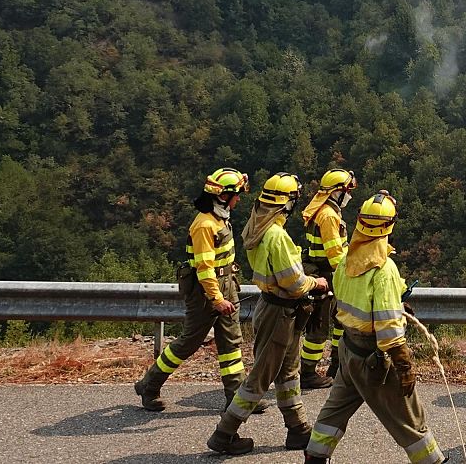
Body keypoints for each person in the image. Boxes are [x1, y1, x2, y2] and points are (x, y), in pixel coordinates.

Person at [305, 191, 445, 464]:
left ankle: (314, 457)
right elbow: (390, 332)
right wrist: (403, 365)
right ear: (390, 226)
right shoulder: (384, 269)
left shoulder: (346, 259)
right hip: (375, 358)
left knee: (334, 411)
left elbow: (350, 301)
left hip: (349, 351)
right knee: (410, 419)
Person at [208, 173, 330, 455]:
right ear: (288, 203)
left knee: (288, 373)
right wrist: (317, 283)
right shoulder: (277, 236)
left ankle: (297, 428)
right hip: (281, 313)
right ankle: (224, 433)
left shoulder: (257, 227)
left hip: (273, 307)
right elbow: (294, 282)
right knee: (260, 378)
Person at [134, 167, 250, 412]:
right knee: (188, 342)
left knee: (231, 344)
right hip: (207, 293)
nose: (239, 199)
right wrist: (217, 299)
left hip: (227, 286)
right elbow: (205, 269)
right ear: (223, 196)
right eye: (236, 194)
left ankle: (237, 398)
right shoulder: (204, 225)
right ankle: (149, 385)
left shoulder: (220, 219)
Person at [301, 166, 357, 390]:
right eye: (347, 191)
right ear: (337, 192)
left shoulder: (324, 211)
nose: (350, 196)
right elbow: (335, 254)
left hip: (328, 273)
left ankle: (337, 366)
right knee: (320, 327)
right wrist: (350, 275)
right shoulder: (328, 216)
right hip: (327, 275)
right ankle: (307, 373)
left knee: (340, 321)